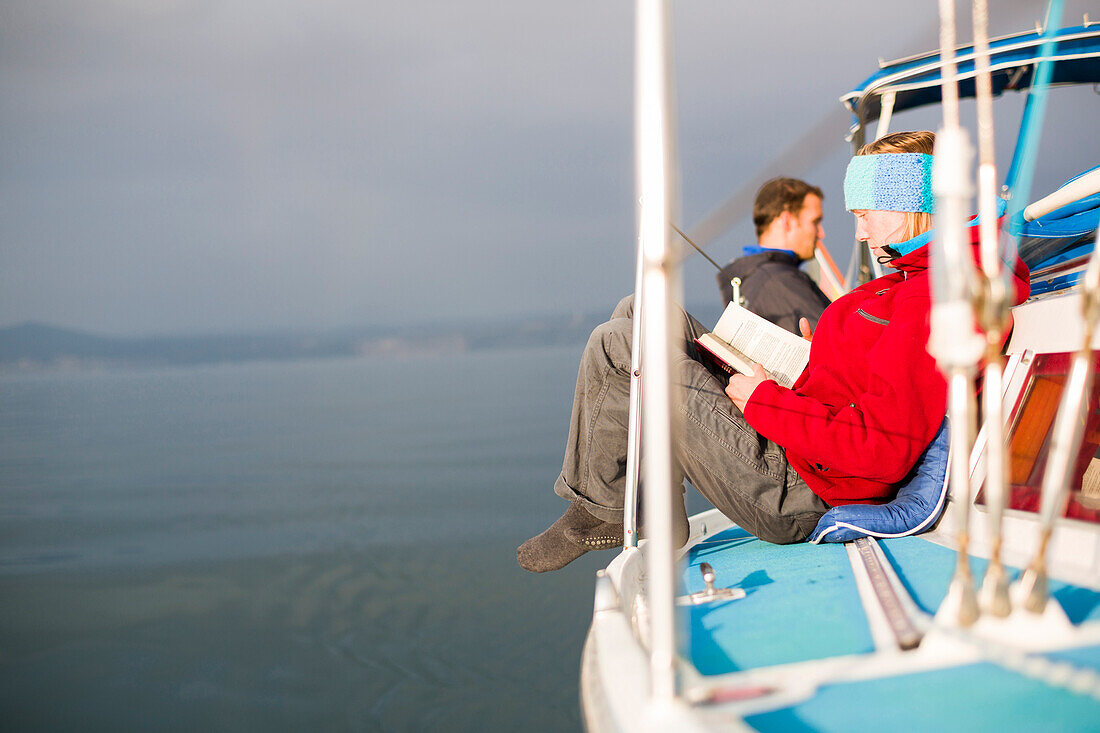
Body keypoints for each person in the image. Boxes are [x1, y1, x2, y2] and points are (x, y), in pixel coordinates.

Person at [517, 130, 1030, 573]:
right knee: (644, 310)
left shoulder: (934, 296)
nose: (858, 230)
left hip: (799, 491)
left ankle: (604, 510)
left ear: (908, 205)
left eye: (867, 213)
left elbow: (884, 450)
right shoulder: (907, 282)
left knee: (619, 346)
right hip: (800, 449)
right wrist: (824, 359)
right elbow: (875, 382)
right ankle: (651, 506)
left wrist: (764, 399)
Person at [716, 177, 831, 335]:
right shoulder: (780, 281)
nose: (821, 233)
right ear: (787, 221)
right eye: (815, 222)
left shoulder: (751, 278)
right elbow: (839, 347)